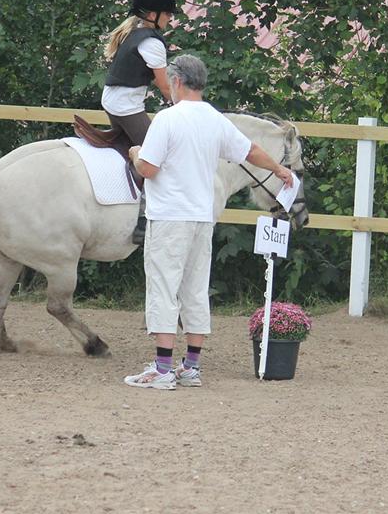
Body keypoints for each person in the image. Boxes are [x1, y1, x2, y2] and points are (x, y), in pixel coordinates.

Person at [122, 54, 295, 390]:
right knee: (195, 289)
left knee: (163, 288)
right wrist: (278, 169)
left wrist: (134, 153)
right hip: (203, 217)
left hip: (170, 216)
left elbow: (148, 169)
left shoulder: (167, 119)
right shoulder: (215, 120)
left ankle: (161, 369)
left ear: (175, 81)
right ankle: (191, 366)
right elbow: (251, 151)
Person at [100, 0, 177, 149]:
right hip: (126, 106)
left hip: (112, 100)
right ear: (151, 15)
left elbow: (158, 79)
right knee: (158, 154)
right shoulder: (151, 42)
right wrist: (187, 106)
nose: (170, 17)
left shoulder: (134, 32)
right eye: (167, 12)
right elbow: (164, 87)